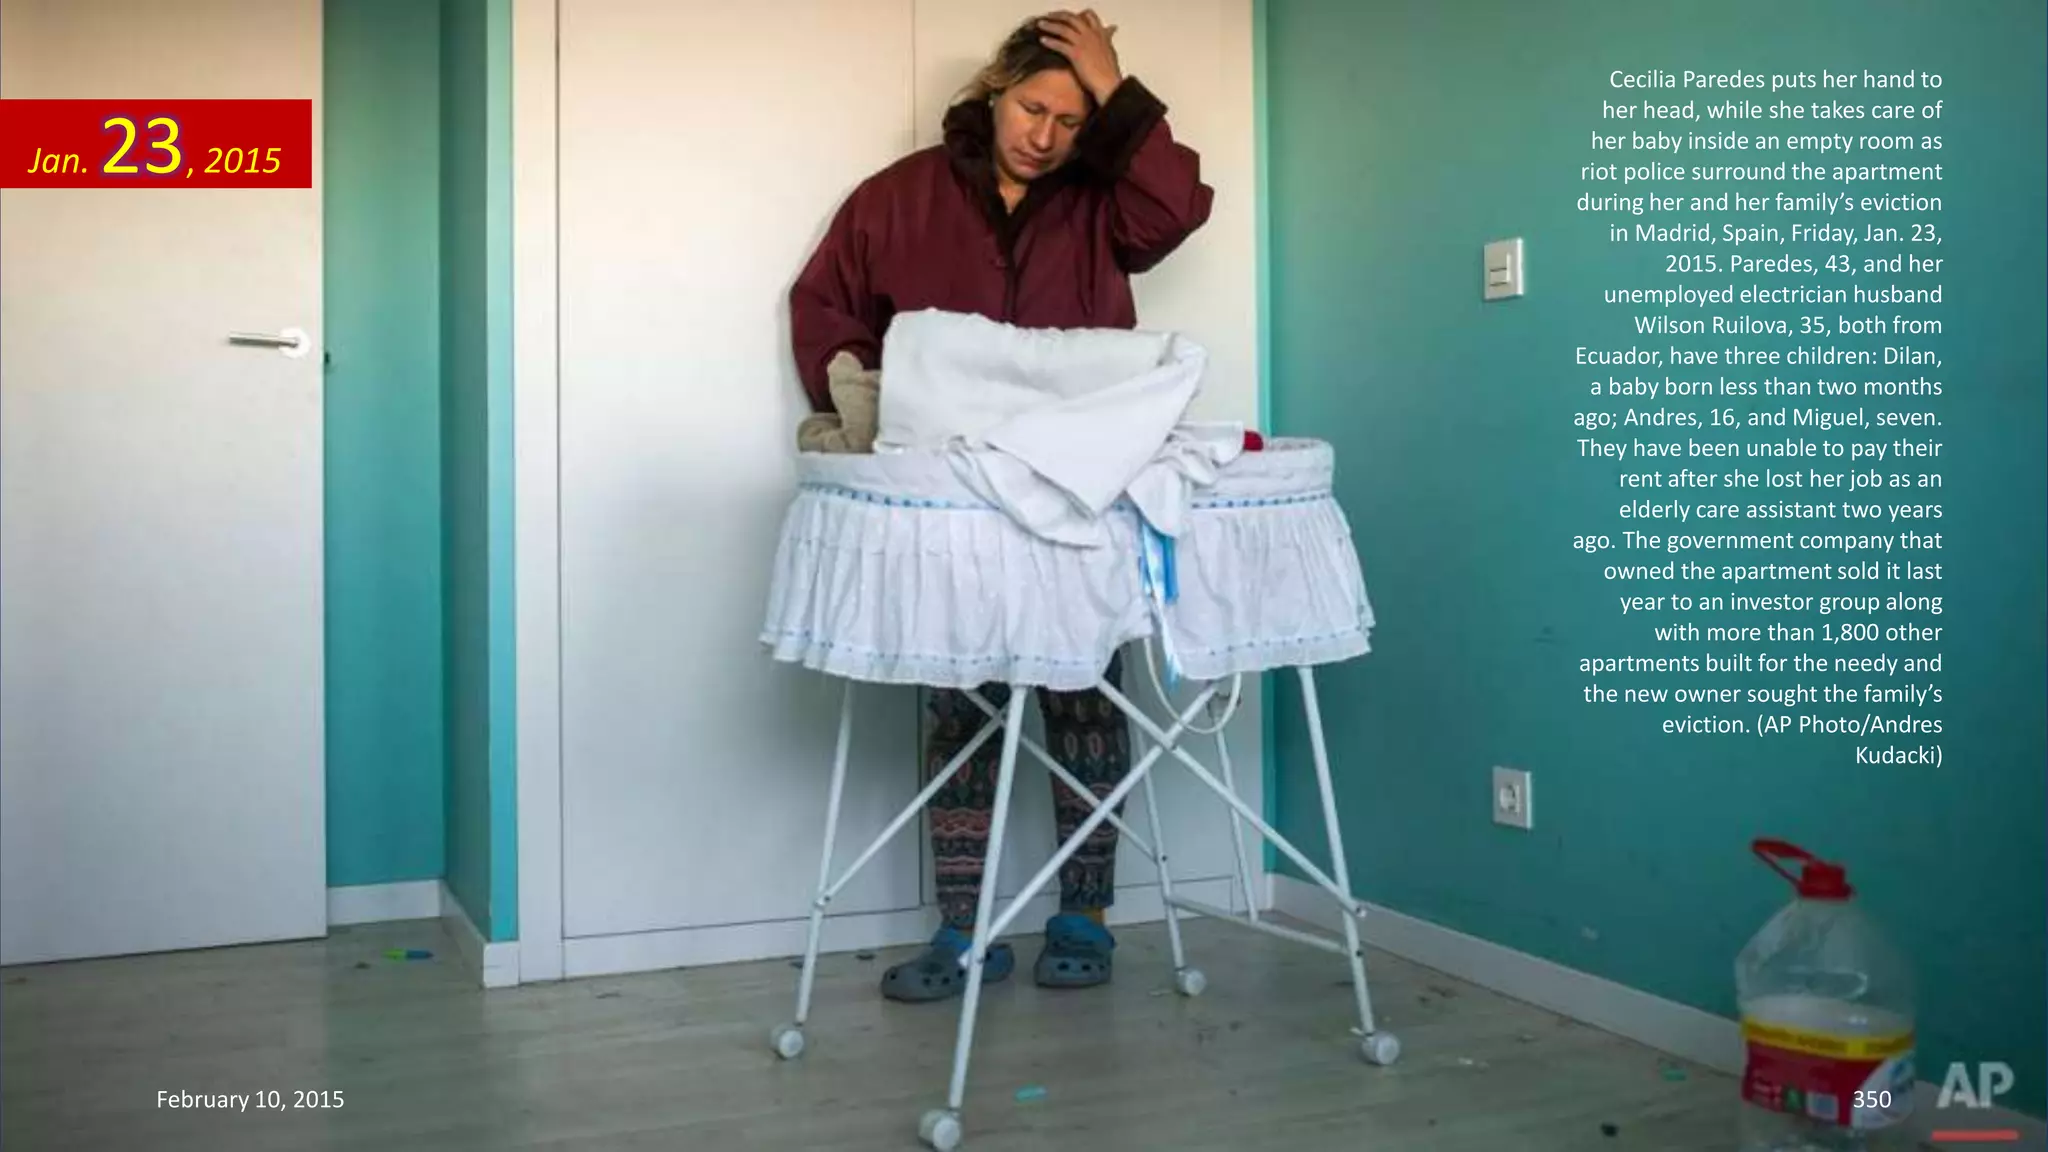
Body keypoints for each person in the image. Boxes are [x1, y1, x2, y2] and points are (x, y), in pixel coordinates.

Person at [787, 9, 1214, 1002]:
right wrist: (852, 400)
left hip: (1080, 491)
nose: (1046, 135)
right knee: (958, 707)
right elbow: (825, 304)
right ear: (992, 92)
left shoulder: (1102, 203)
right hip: (952, 503)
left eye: (1072, 118)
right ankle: (960, 928)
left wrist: (1118, 91)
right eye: (1034, 107)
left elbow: (1178, 209)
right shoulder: (896, 199)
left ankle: (1085, 915)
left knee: (1087, 699)